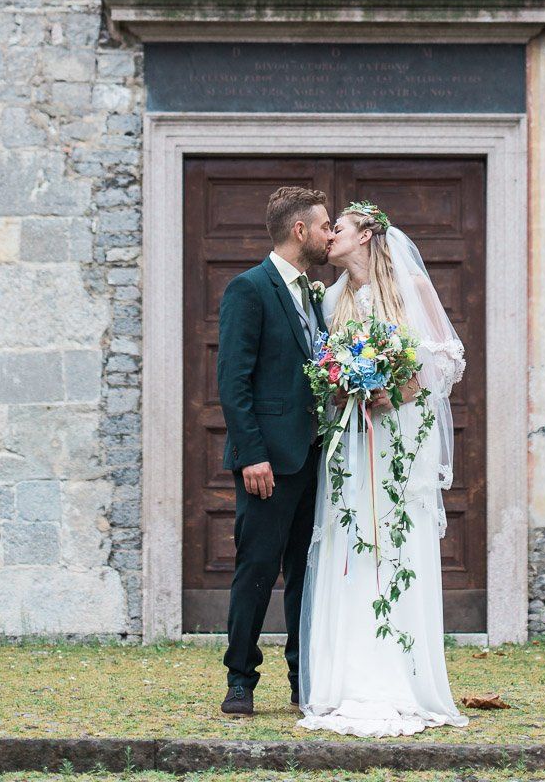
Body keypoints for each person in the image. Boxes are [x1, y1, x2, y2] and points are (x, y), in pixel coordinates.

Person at [297, 200, 469, 738]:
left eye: (339, 228)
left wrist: (394, 390)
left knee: (396, 542)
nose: (331, 237)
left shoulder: (410, 292)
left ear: (367, 234)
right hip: (353, 441)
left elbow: (446, 360)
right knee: (351, 542)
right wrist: (345, 383)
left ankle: (403, 674)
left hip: (397, 438)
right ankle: (347, 677)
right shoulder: (331, 300)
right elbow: (327, 365)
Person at [216, 185, 334, 717]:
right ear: (300, 231)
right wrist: (251, 454)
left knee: (307, 574)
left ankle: (300, 678)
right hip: (268, 462)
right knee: (257, 570)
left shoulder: (314, 294)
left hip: (315, 459)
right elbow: (233, 382)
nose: (331, 233)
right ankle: (240, 679)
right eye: (325, 225)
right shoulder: (249, 289)